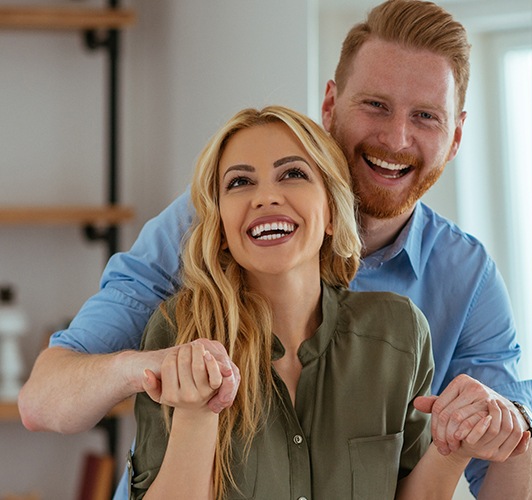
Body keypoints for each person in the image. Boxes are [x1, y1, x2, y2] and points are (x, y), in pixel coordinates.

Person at [18, 1, 532, 498]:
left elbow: (513, 483)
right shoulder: (201, 230)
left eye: (426, 117)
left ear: (455, 138)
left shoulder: (455, 286)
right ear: (330, 105)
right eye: (375, 106)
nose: (395, 138)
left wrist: (501, 426)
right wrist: (160, 371)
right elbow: (44, 401)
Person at [130, 104, 497, 499]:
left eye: (293, 174)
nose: (266, 197)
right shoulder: (179, 332)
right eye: (239, 183)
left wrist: (454, 451)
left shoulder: (399, 333)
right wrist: (194, 416)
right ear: (220, 227)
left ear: (332, 215)